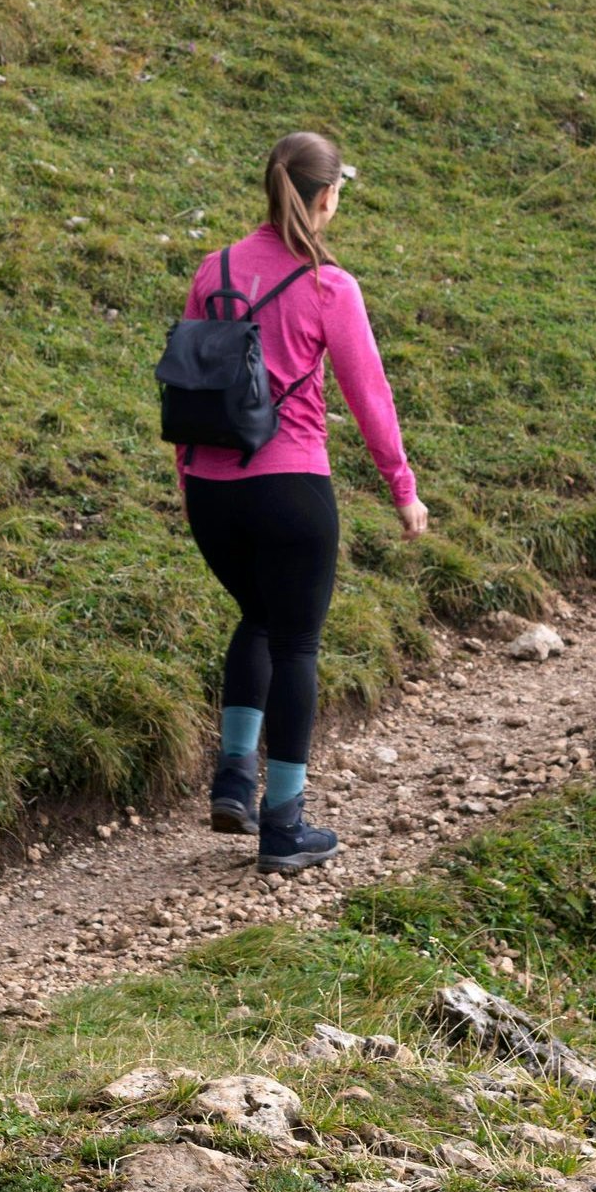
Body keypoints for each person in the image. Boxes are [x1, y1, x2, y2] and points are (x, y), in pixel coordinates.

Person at [175, 132, 428, 876]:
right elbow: (369, 394)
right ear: (326, 198)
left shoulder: (213, 268)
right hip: (290, 489)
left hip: (212, 497)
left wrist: (187, 476)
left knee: (257, 616)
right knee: (296, 645)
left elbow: (188, 382)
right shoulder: (328, 286)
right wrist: (403, 489)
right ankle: (282, 827)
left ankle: (233, 777)